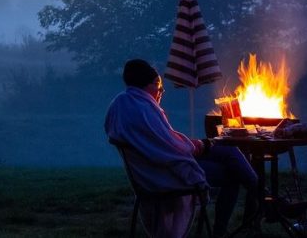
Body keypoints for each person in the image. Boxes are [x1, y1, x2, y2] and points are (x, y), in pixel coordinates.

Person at [106, 58, 258, 236]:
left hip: (149, 171)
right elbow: (169, 147)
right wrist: (199, 146)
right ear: (151, 85)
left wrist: (198, 144)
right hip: (166, 174)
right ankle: (264, 204)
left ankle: (263, 200)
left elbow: (161, 142)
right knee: (232, 169)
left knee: (227, 150)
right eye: (160, 87)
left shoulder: (120, 104)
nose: (161, 92)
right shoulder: (144, 109)